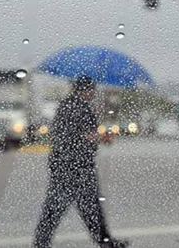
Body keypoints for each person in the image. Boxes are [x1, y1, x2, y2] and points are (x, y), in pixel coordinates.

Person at [34, 76, 129, 248]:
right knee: (82, 206)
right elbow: (85, 136)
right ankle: (105, 242)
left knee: (67, 207)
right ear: (87, 91)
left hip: (62, 163)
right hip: (77, 166)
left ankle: (41, 243)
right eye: (92, 90)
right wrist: (104, 137)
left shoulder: (65, 105)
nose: (93, 94)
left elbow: (69, 134)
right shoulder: (81, 108)